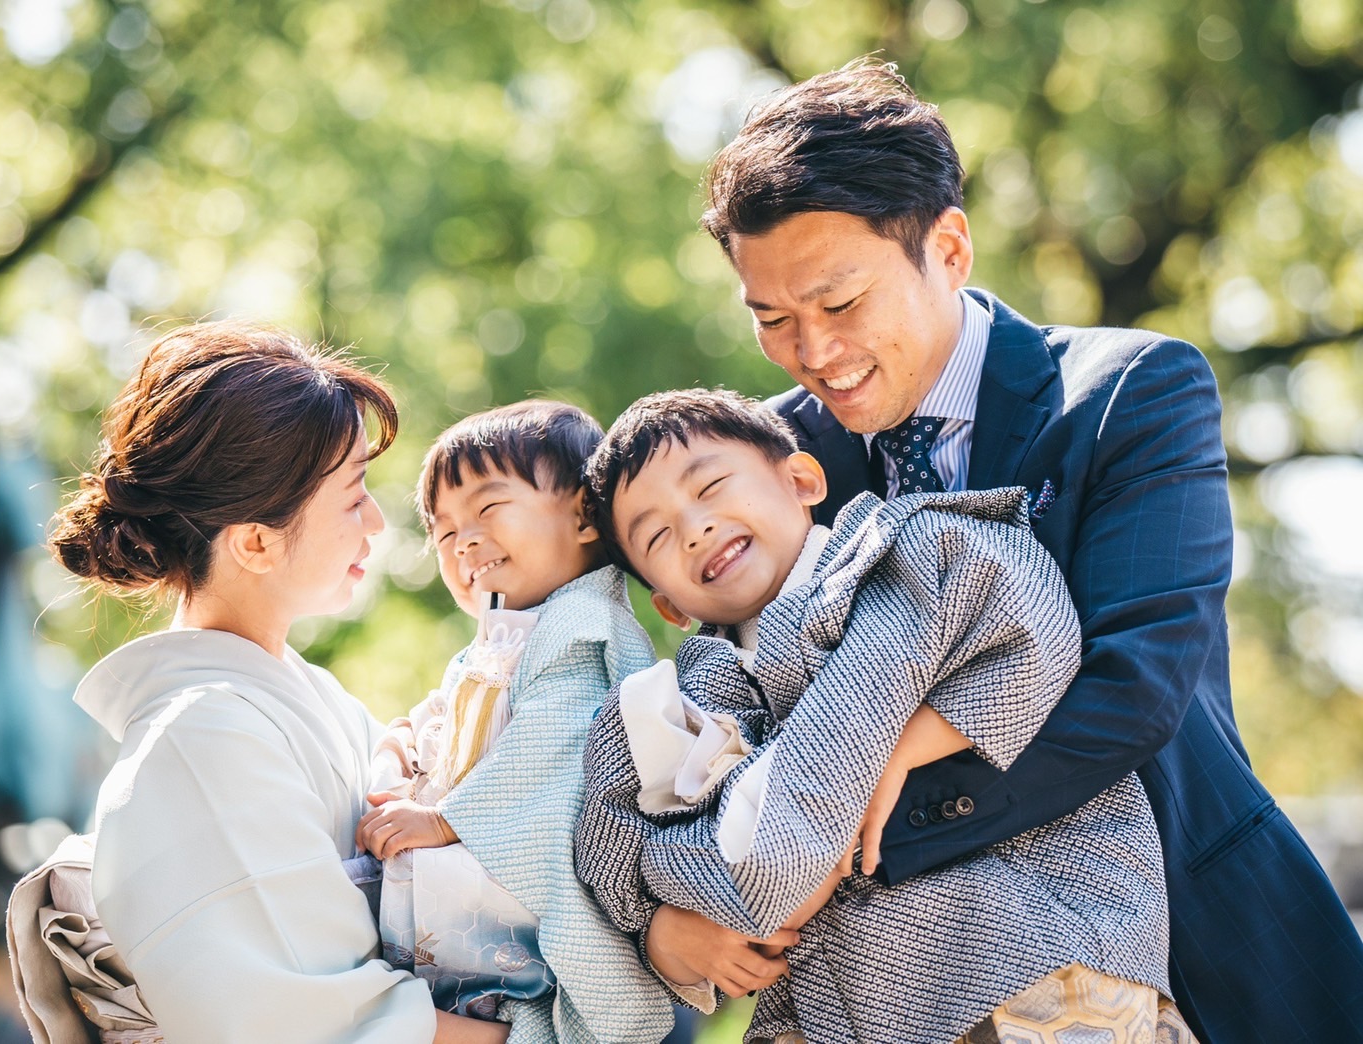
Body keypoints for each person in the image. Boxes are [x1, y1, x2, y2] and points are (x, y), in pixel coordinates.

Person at [643, 57, 1363, 1041]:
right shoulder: (762, 464)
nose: (810, 351)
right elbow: (681, 720)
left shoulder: (1128, 393)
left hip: (1168, 959)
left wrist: (805, 859)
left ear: (948, 248)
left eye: (839, 304)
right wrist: (659, 924)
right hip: (874, 998)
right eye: (769, 318)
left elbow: (1128, 690)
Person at [575, 387, 1196, 1044]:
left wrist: (897, 750)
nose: (694, 527)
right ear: (669, 606)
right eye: (658, 535)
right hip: (828, 1012)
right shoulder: (680, 707)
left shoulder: (908, 551)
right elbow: (610, 841)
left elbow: (1035, 635)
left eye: (711, 487)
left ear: (801, 479)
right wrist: (663, 935)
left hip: (1027, 958)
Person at [44, 320, 506, 1043]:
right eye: (354, 496)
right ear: (255, 541)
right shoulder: (200, 740)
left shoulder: (308, 700)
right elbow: (323, 1024)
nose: (378, 522)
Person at [355, 401, 673, 1042]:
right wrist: (405, 739)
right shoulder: (501, 636)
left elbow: (551, 746)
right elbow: (450, 713)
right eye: (443, 533)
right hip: (479, 893)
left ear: (584, 516)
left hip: (534, 878)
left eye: (488, 509)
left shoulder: (585, 626)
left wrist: (444, 819)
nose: (463, 540)